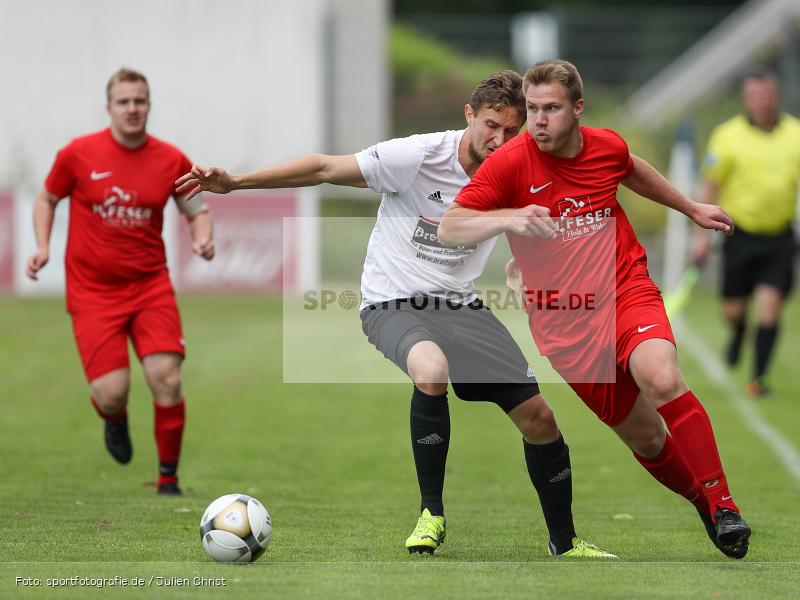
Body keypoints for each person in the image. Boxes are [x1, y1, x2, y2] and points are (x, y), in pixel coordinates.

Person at [175, 71, 614, 558]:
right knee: (431, 369)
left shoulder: (516, 168)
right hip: (391, 302)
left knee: (540, 418)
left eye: (513, 130)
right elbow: (323, 167)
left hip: (459, 304)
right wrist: (236, 183)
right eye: (492, 125)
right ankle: (432, 514)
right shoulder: (419, 156)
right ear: (469, 116)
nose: (501, 139)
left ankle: (566, 543)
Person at [439, 60, 752, 559]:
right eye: (534, 109)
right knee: (648, 438)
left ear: (577, 109)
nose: (538, 120)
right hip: (564, 325)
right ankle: (703, 504)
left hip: (624, 289)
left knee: (662, 375)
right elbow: (449, 226)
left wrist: (691, 208)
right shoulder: (509, 163)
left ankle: (725, 504)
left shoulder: (606, 145)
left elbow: (630, 169)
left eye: (551, 109)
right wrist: (512, 217)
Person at [26, 68, 214, 496]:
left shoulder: (171, 159)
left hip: (150, 286)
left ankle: (168, 480)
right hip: (93, 291)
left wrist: (203, 238)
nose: (133, 109)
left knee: (166, 378)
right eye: (124, 101)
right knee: (112, 393)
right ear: (109, 106)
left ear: (149, 105)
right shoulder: (78, 154)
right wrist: (42, 246)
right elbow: (47, 197)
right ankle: (114, 417)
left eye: (140, 101)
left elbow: (197, 209)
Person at [692, 70, 800, 397]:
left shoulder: (798, 134)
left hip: (780, 238)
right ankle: (737, 332)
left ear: (776, 97)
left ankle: (758, 379)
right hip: (739, 234)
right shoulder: (726, 135)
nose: (762, 101)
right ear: (747, 99)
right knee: (733, 310)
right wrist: (701, 237)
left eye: (767, 95)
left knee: (770, 305)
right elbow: (711, 185)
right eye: (755, 96)